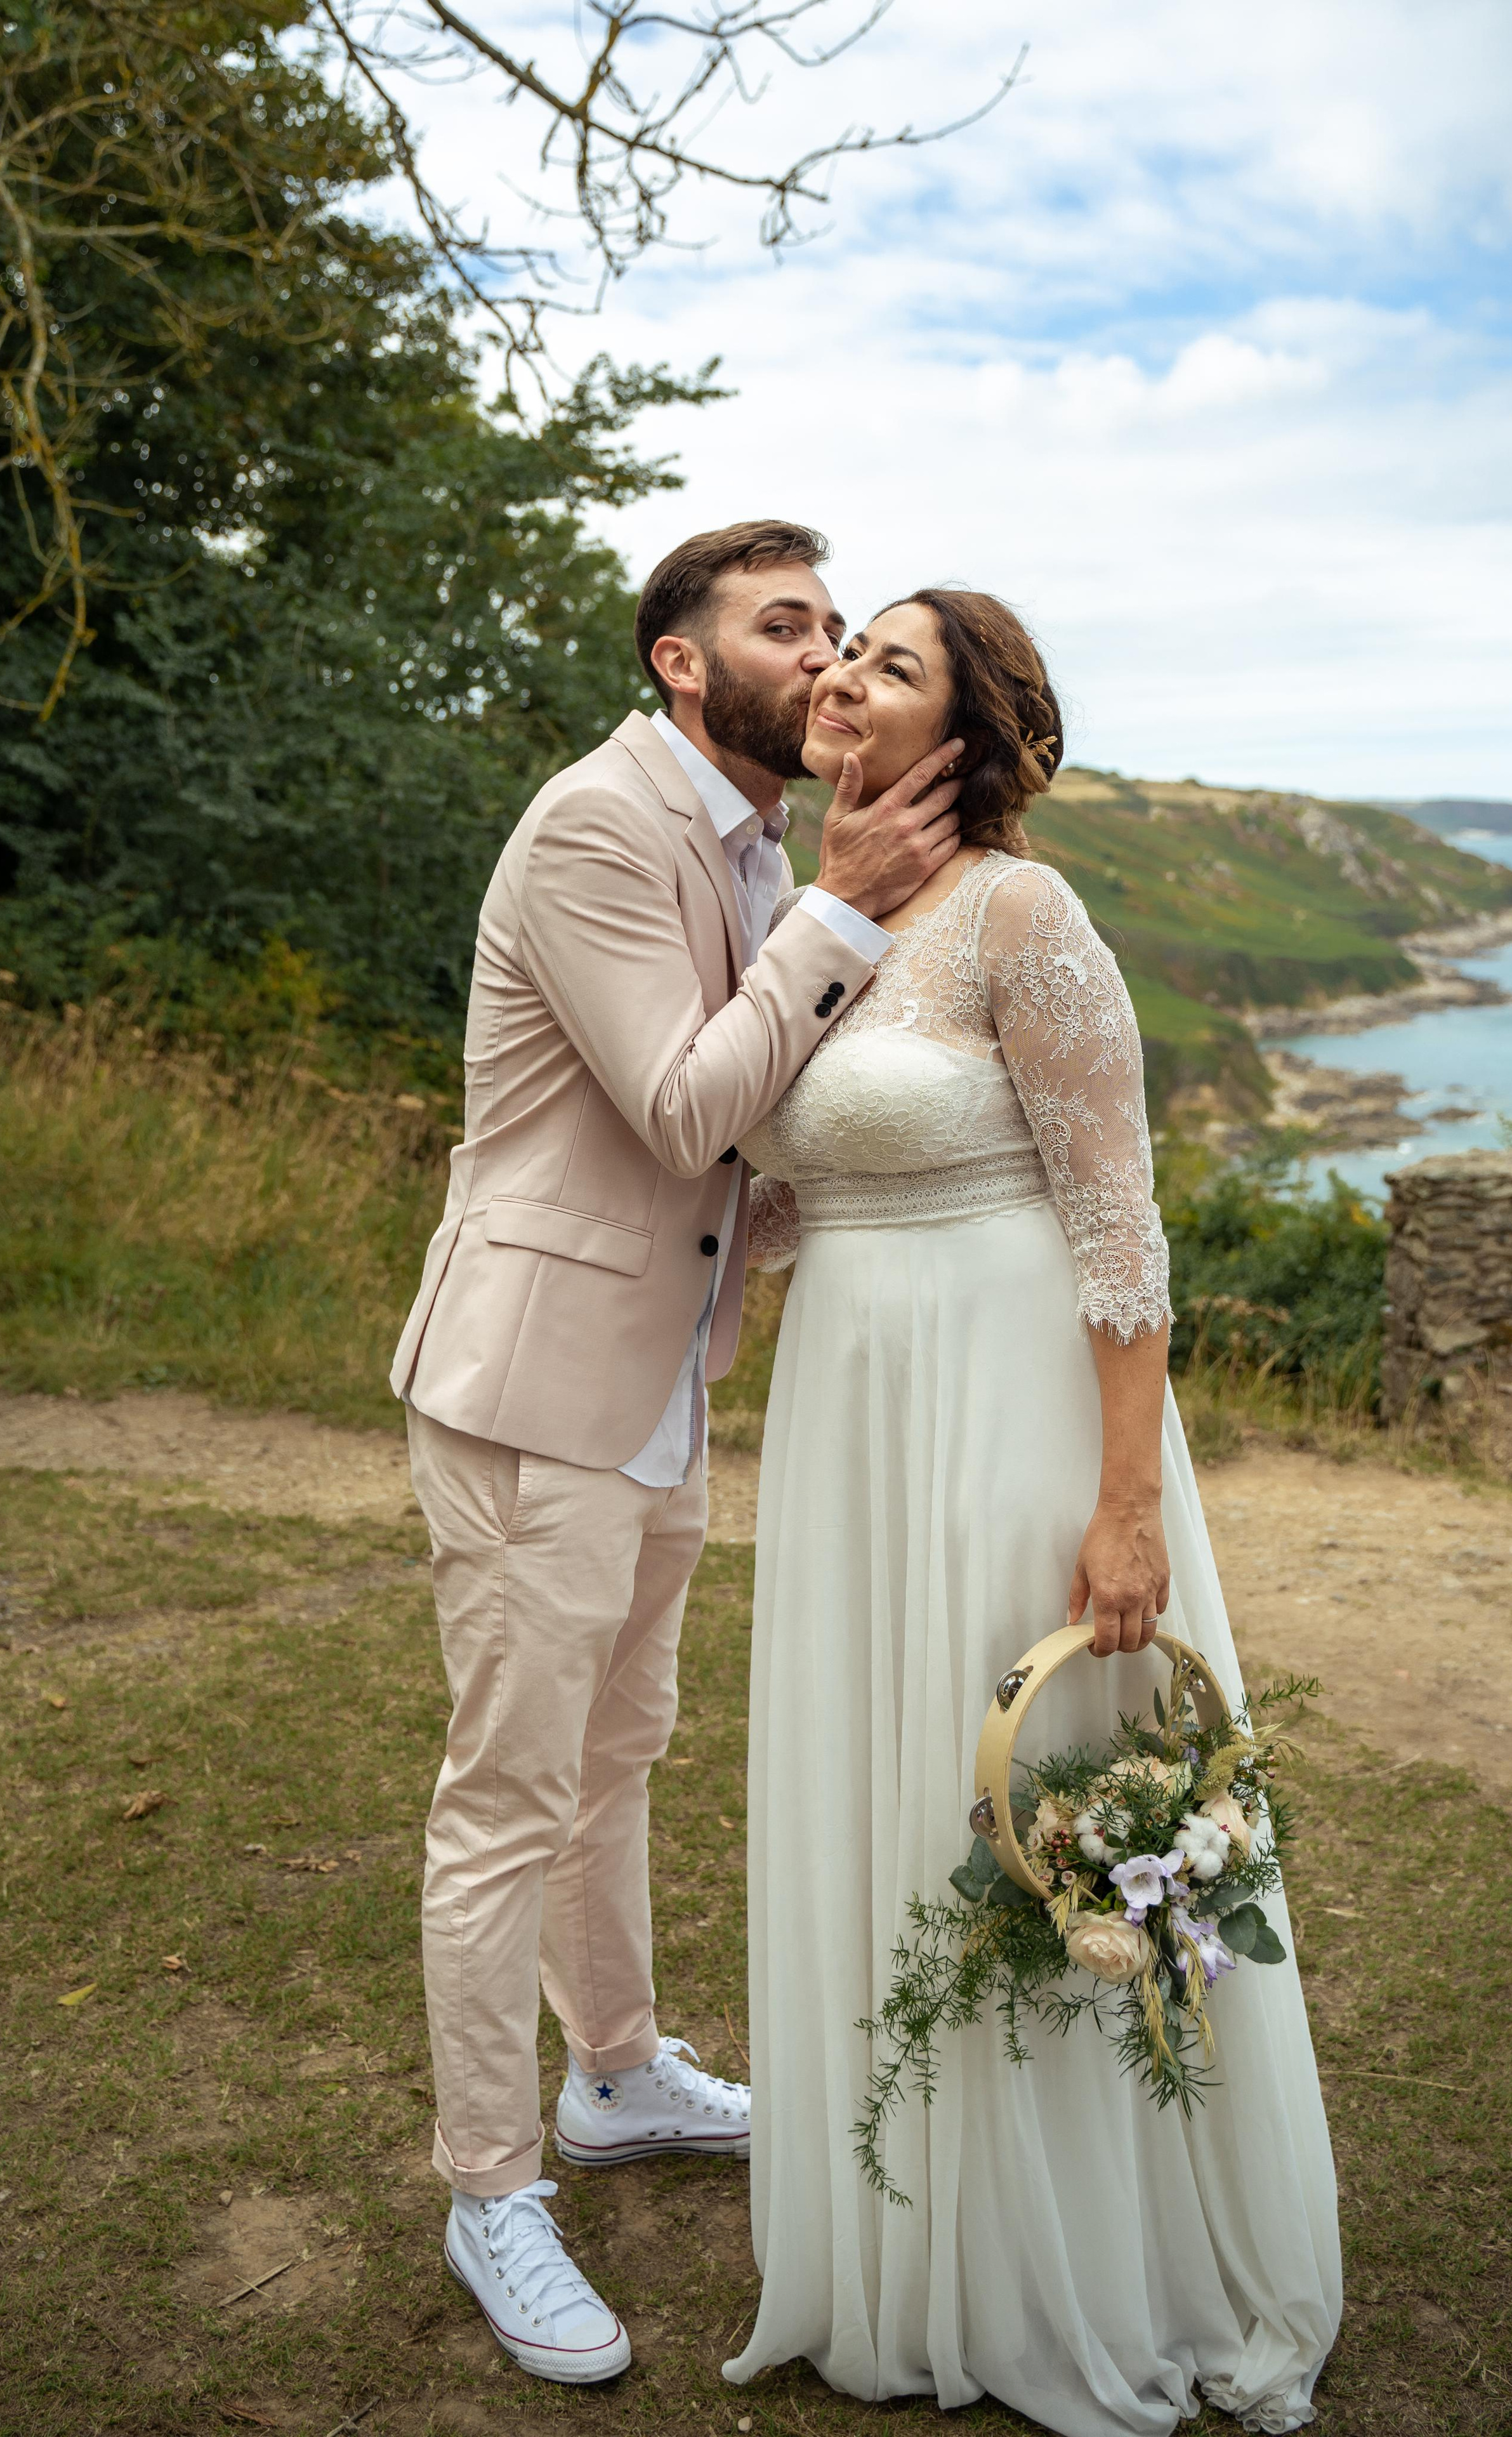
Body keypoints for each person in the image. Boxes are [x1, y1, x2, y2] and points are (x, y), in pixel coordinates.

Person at [725, 590, 1341, 2434]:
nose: (843, 675)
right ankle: (906, 2245)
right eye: (845, 654)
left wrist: (1128, 1504)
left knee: (1012, 1796)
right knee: (878, 1792)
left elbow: (1120, 1227)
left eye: (890, 663)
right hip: (846, 1404)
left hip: (1010, 1407)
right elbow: (756, 1174)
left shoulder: (1021, 910)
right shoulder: (801, 914)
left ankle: (1096, 2249)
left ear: (972, 740)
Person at [390, 520, 965, 2384]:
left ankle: (618, 2072)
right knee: (507, 1796)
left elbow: (744, 1178)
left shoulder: (752, 841)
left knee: (618, 1755)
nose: (819, 661)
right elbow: (682, 1107)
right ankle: (492, 2191)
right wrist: (851, 913)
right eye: (781, 627)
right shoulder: (597, 829)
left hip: (661, 1383)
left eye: (834, 629)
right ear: (678, 658)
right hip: (535, 1389)